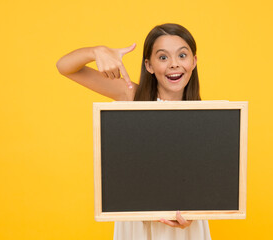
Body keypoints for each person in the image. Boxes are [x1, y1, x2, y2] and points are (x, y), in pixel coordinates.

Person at [56, 23, 211, 240]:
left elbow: (208, 178)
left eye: (182, 55)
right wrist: (96, 51)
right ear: (149, 65)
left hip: (185, 225)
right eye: (163, 57)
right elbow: (64, 67)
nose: (174, 64)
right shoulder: (132, 96)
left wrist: (195, 214)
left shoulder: (209, 116)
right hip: (137, 224)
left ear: (193, 61)